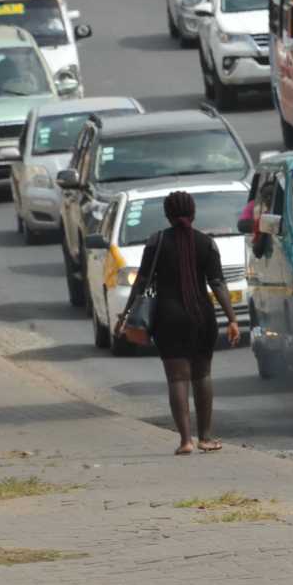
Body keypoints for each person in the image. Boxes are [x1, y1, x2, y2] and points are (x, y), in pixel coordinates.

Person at [117, 191, 241, 456]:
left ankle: (185, 441)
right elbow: (217, 283)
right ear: (193, 212)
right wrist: (231, 318)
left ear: (167, 214)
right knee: (203, 375)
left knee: (177, 379)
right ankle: (206, 438)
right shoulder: (207, 243)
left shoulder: (156, 241)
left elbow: (141, 283)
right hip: (202, 316)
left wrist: (126, 314)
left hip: (168, 317)